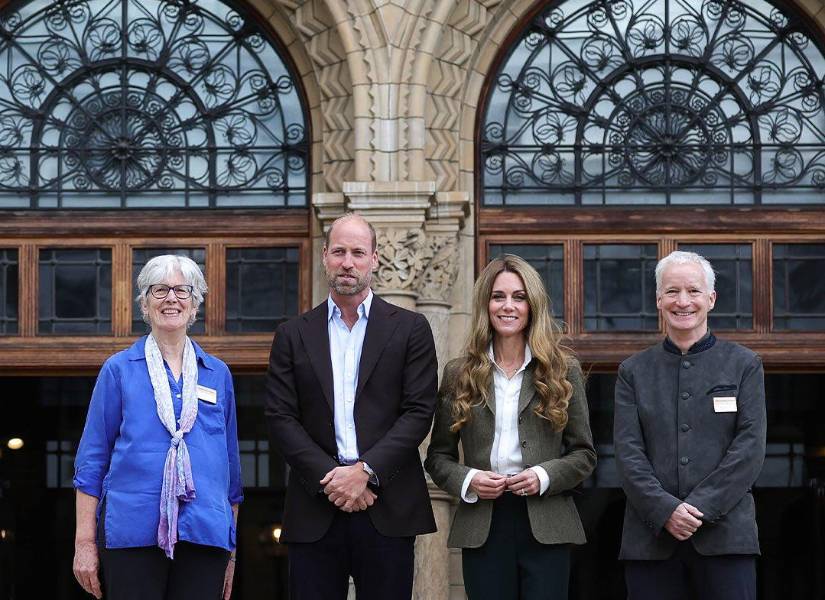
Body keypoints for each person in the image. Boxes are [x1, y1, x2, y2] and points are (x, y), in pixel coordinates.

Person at [265, 213, 438, 600]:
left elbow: (419, 411)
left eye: (358, 252)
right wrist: (335, 477)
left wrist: (365, 472)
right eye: (339, 251)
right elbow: (280, 417)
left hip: (387, 505)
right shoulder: (292, 335)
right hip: (315, 506)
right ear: (324, 255)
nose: (348, 262)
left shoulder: (411, 328)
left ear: (375, 258)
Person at [425, 254, 596, 600]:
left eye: (518, 297)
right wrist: (470, 480)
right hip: (484, 523)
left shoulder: (564, 370)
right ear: (485, 304)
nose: (508, 306)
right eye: (498, 296)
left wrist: (543, 476)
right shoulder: (459, 373)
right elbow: (438, 457)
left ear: (532, 305)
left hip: (546, 521)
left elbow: (584, 455)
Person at [72, 255, 243, 600]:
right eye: (160, 290)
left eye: (182, 290)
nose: (171, 299)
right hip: (132, 531)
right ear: (145, 303)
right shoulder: (118, 370)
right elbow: (91, 463)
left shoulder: (217, 374)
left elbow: (232, 474)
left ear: (195, 304)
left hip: (205, 533)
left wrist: (232, 552)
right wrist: (85, 544)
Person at [614, 250, 767, 600]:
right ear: (658, 300)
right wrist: (666, 511)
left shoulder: (745, 365)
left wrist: (699, 510)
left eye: (693, 291)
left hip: (726, 538)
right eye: (672, 291)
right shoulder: (632, 372)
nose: (683, 301)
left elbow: (750, 448)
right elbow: (627, 454)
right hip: (650, 540)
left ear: (711, 299)